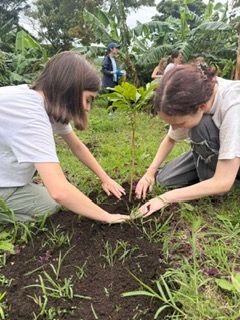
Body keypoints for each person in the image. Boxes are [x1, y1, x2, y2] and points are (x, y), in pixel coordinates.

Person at [0, 51, 130, 223]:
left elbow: (76, 146)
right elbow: (59, 192)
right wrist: (106, 216)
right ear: (70, 90)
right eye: (88, 99)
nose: (88, 108)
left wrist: (105, 178)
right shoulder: (30, 116)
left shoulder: (42, 101)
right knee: (50, 205)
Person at [136, 63, 240, 217]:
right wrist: (149, 173)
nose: (175, 128)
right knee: (164, 179)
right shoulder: (195, 93)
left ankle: (213, 189)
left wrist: (165, 198)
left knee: (201, 126)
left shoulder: (233, 105)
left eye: (179, 124)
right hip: (214, 147)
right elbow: (170, 139)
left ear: (202, 107)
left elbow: (223, 182)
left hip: (233, 159)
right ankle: (205, 180)